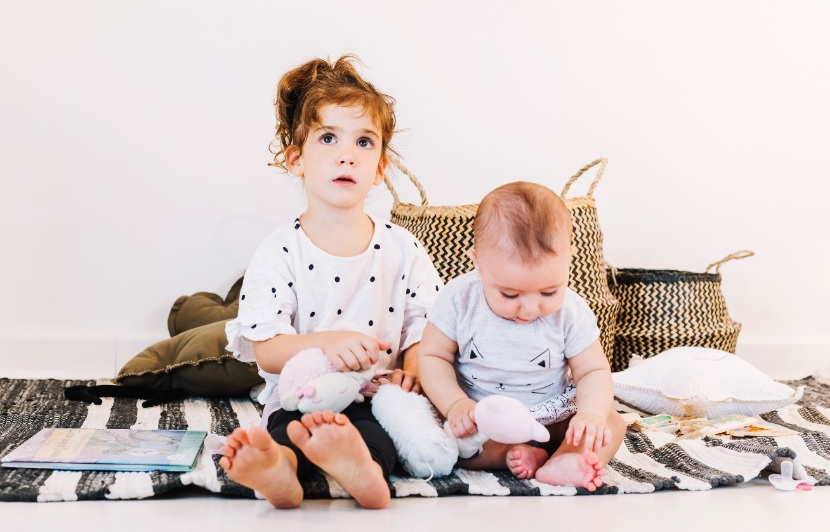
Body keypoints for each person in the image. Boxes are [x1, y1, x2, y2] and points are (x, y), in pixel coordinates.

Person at [219, 55, 442, 510]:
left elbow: (427, 326)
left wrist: (414, 371)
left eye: (364, 142)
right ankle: (279, 469)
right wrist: (326, 342)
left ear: (380, 167)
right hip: (303, 393)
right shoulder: (280, 251)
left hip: (379, 395)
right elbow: (266, 346)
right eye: (328, 138)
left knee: (381, 435)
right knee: (291, 427)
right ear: (296, 159)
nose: (347, 155)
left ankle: (363, 471)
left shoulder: (404, 249)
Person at [418, 181, 626, 491]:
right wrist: (455, 405)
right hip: (482, 420)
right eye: (509, 294)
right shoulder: (459, 299)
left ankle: (564, 458)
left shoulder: (571, 311)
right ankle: (514, 456)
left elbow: (593, 370)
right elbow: (433, 356)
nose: (529, 308)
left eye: (548, 291)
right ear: (477, 262)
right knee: (447, 442)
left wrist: (591, 414)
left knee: (612, 423)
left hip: (550, 417)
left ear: (570, 256)